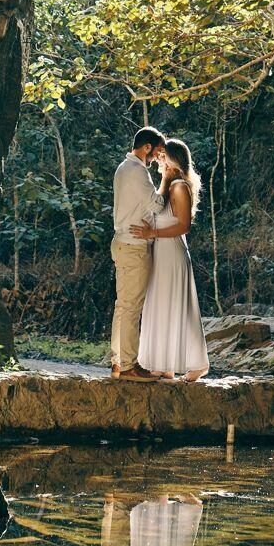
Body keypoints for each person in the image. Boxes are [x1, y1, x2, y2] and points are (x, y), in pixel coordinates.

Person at [131, 138, 210, 382]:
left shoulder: (179, 187)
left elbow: (184, 225)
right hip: (161, 252)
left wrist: (152, 233)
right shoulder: (169, 184)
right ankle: (163, 365)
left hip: (172, 253)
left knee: (176, 307)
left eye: (163, 155)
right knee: (162, 306)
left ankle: (197, 365)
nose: (158, 158)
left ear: (174, 160)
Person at [110, 127, 168, 381]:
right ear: (147, 147)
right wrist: (167, 179)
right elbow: (157, 205)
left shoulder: (123, 168)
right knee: (132, 308)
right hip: (134, 246)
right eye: (157, 152)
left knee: (123, 306)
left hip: (122, 242)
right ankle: (128, 366)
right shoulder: (137, 171)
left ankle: (118, 361)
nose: (157, 158)